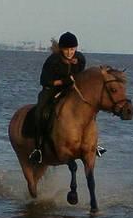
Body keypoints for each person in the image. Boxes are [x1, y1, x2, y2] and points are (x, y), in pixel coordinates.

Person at [29, 32, 106, 164]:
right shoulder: (52, 61)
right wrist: (64, 82)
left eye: (72, 49)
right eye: (66, 49)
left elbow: (80, 77)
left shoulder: (80, 58)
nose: (70, 52)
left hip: (71, 90)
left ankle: (94, 144)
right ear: (61, 49)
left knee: (89, 109)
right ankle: (38, 149)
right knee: (41, 112)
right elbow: (44, 81)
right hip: (51, 90)